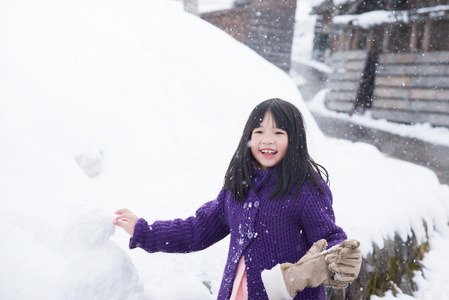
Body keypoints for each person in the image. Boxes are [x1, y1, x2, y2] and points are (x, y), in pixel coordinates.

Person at [114, 98, 362, 299]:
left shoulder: (305, 191)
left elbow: (332, 239)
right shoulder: (239, 188)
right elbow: (197, 230)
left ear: (294, 140)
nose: (267, 139)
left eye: (278, 132)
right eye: (259, 131)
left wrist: (326, 263)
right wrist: (143, 231)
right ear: (249, 138)